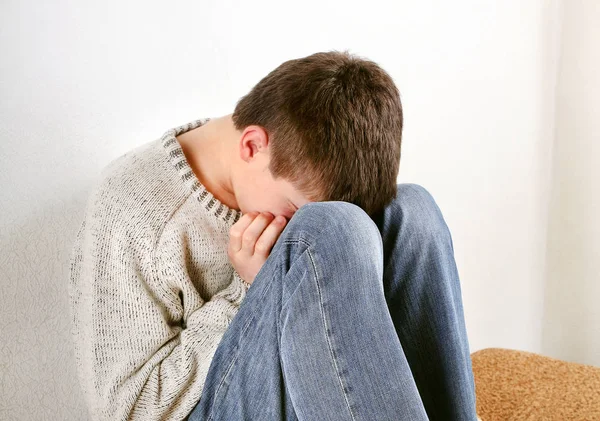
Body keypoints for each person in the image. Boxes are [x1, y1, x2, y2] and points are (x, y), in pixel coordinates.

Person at [68, 50, 478, 421]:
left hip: (297, 381)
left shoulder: (269, 160)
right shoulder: (131, 206)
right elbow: (126, 410)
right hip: (205, 409)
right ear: (252, 146)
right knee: (331, 229)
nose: (289, 225)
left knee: (411, 209)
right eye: (292, 209)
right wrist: (246, 291)